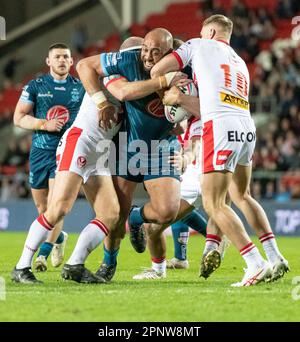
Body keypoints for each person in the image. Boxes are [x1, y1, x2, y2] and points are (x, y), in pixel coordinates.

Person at [150, 14, 289, 286]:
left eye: (203, 32)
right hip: (246, 126)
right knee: (243, 195)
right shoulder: (238, 61)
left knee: (215, 203)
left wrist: (168, 92)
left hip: (220, 125)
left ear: (211, 32)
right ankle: (275, 256)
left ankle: (255, 263)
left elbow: (157, 70)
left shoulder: (197, 45)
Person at [71, 28, 192, 282]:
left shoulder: (188, 70)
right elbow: (89, 69)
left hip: (162, 146)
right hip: (127, 144)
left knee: (167, 211)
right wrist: (102, 103)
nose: (146, 56)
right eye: (145, 49)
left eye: (154, 51)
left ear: (170, 53)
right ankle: (108, 263)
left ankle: (137, 218)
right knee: (115, 216)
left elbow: (204, 110)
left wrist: (188, 146)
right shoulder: (129, 59)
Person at [13, 43, 85, 273]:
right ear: (48, 61)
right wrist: (44, 123)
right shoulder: (35, 86)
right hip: (39, 152)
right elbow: (18, 118)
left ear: (71, 61)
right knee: (43, 207)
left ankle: (42, 254)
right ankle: (59, 238)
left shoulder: (80, 88)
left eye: (66, 57)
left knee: (56, 205)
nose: (62, 60)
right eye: (57, 57)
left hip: (65, 152)